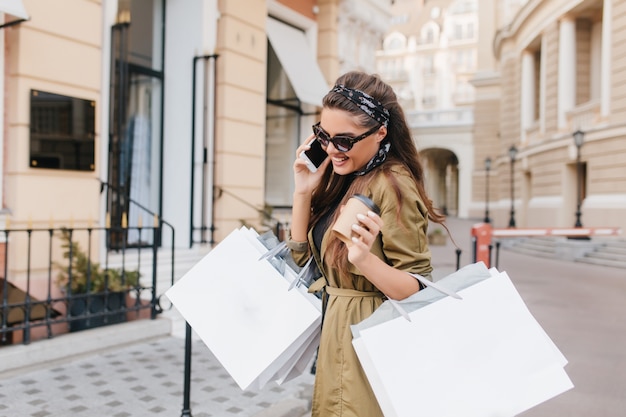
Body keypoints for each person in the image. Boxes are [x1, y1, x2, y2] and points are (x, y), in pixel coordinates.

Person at [288, 71, 446, 417]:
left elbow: (421, 289)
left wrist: (364, 261)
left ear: (380, 133)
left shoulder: (392, 184)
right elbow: (301, 260)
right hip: (337, 335)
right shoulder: (344, 175)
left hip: (372, 338)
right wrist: (303, 191)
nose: (331, 149)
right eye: (323, 136)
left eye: (344, 140)